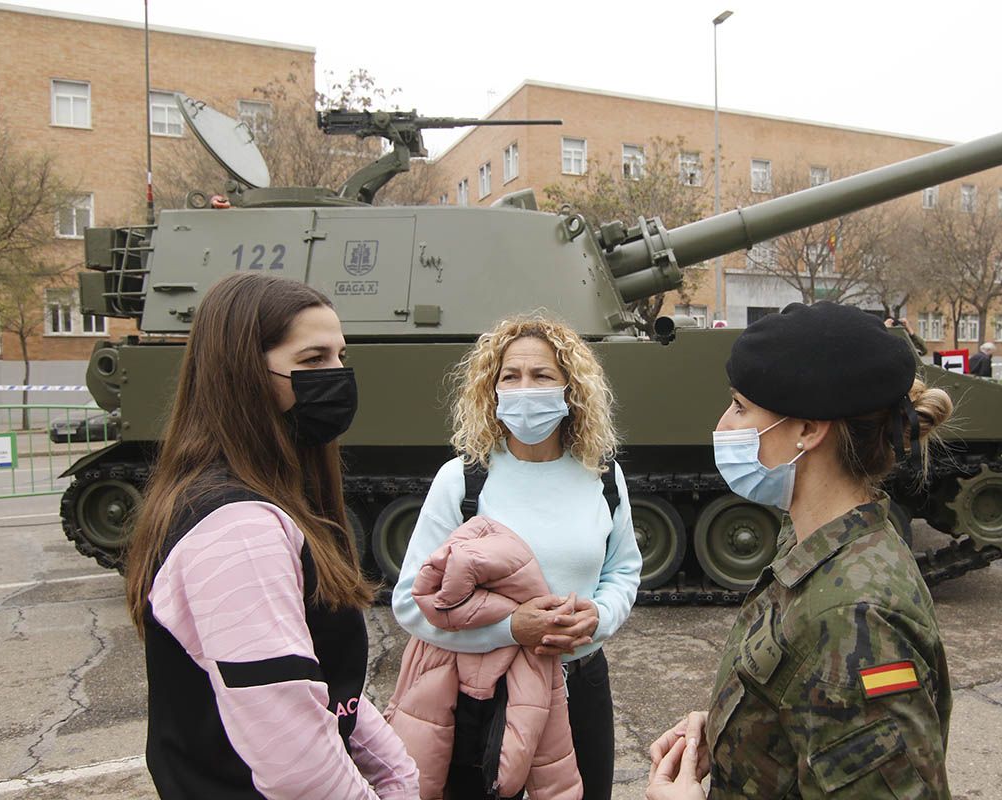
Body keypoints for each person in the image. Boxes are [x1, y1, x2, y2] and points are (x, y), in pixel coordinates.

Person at [124, 274, 419, 799]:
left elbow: (319, 682)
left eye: (340, 356)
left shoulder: (262, 496)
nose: (337, 375)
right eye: (312, 360)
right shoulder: (237, 528)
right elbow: (296, 758)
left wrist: (397, 774)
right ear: (241, 374)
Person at [647, 301, 954, 800]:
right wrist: (735, 730)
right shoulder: (814, 542)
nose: (723, 425)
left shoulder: (858, 615)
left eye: (741, 406)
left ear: (809, 430)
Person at [392, 313, 641, 800]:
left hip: (581, 683)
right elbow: (408, 602)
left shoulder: (603, 477)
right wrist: (510, 630)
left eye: (542, 375)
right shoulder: (463, 480)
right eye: (511, 376)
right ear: (493, 388)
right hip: (482, 691)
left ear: (570, 389)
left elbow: (623, 569)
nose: (525, 389)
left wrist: (601, 615)